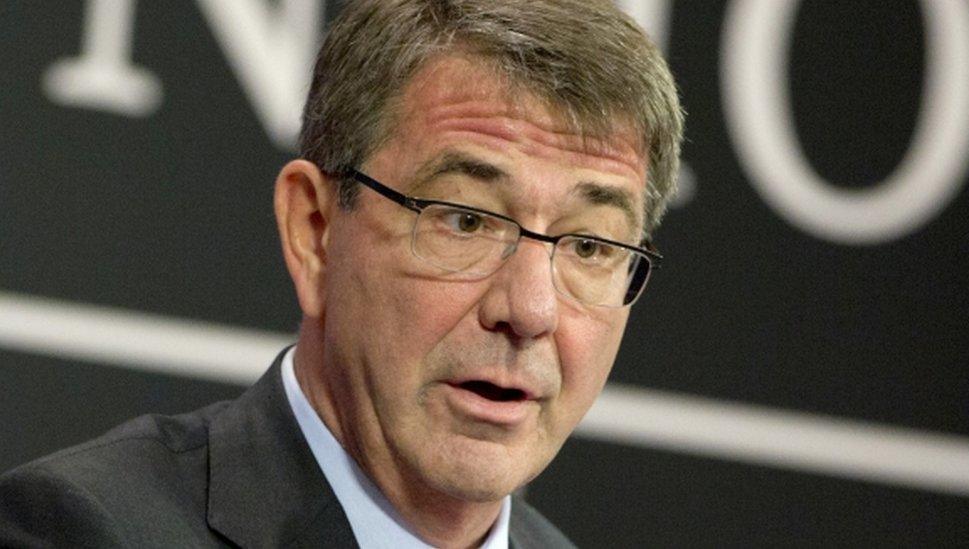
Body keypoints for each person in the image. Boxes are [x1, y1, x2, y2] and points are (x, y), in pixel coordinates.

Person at [0, 0, 683, 546]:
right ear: (315, 233)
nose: (530, 309)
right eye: (466, 220)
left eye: (590, 245)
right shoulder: (86, 528)